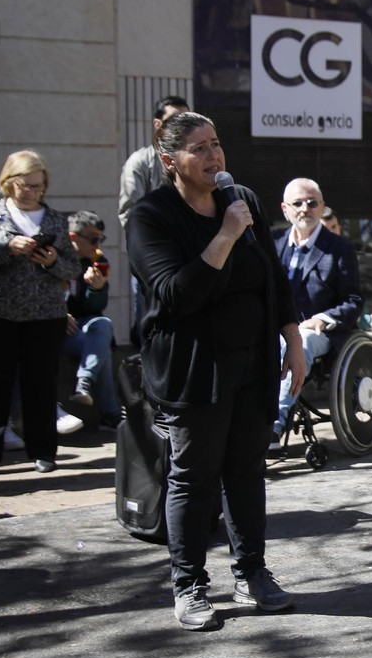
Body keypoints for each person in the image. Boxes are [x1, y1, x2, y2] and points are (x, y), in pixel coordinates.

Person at [129, 111, 305, 631]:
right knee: (194, 474)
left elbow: (272, 278)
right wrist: (225, 234)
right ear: (170, 161)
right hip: (192, 366)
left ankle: (252, 572)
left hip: (253, 362)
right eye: (199, 148)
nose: (213, 157)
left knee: (247, 470)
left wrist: (292, 341)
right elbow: (173, 295)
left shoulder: (242, 198)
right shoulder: (151, 216)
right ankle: (189, 584)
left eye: (216, 143)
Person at [0, 152, 85, 478]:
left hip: (44, 315)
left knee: (41, 385)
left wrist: (50, 262)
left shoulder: (57, 221)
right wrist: (8, 249)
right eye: (25, 185)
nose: (32, 192)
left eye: (38, 185)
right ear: (9, 182)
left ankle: (43, 452)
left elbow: (73, 267)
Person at [272, 177, 362, 441]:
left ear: (322, 208)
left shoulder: (340, 249)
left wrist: (322, 319)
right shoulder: (273, 244)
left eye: (312, 203)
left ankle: (276, 423)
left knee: (303, 340)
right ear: (284, 209)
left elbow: (354, 301)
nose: (305, 209)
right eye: (297, 203)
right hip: (277, 329)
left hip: (318, 333)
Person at [120, 97, 190, 344]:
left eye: (186, 119)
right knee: (151, 329)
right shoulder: (140, 162)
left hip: (189, 261)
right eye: (174, 120)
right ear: (157, 124)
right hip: (153, 261)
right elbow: (130, 214)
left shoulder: (193, 160)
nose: (181, 125)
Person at [63, 211, 122, 430]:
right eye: (92, 239)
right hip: (51, 330)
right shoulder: (55, 258)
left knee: (103, 324)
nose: (97, 245)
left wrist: (96, 290)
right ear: (72, 237)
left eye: (100, 238)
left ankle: (85, 381)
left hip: (80, 329)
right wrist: (58, 313)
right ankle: (110, 414)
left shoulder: (97, 261)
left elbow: (94, 308)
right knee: (102, 348)